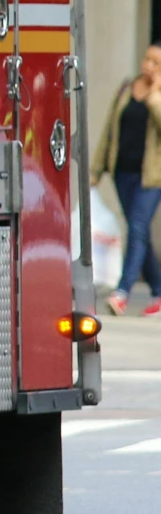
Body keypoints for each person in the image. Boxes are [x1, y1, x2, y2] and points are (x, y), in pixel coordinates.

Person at [93, 43, 161, 316]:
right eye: (147, 60)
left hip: (151, 178)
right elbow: (111, 128)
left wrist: (155, 97)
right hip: (123, 173)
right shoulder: (126, 88)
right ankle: (158, 290)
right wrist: (96, 169)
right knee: (138, 232)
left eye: (156, 63)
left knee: (137, 228)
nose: (148, 66)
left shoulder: (158, 96)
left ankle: (122, 292)